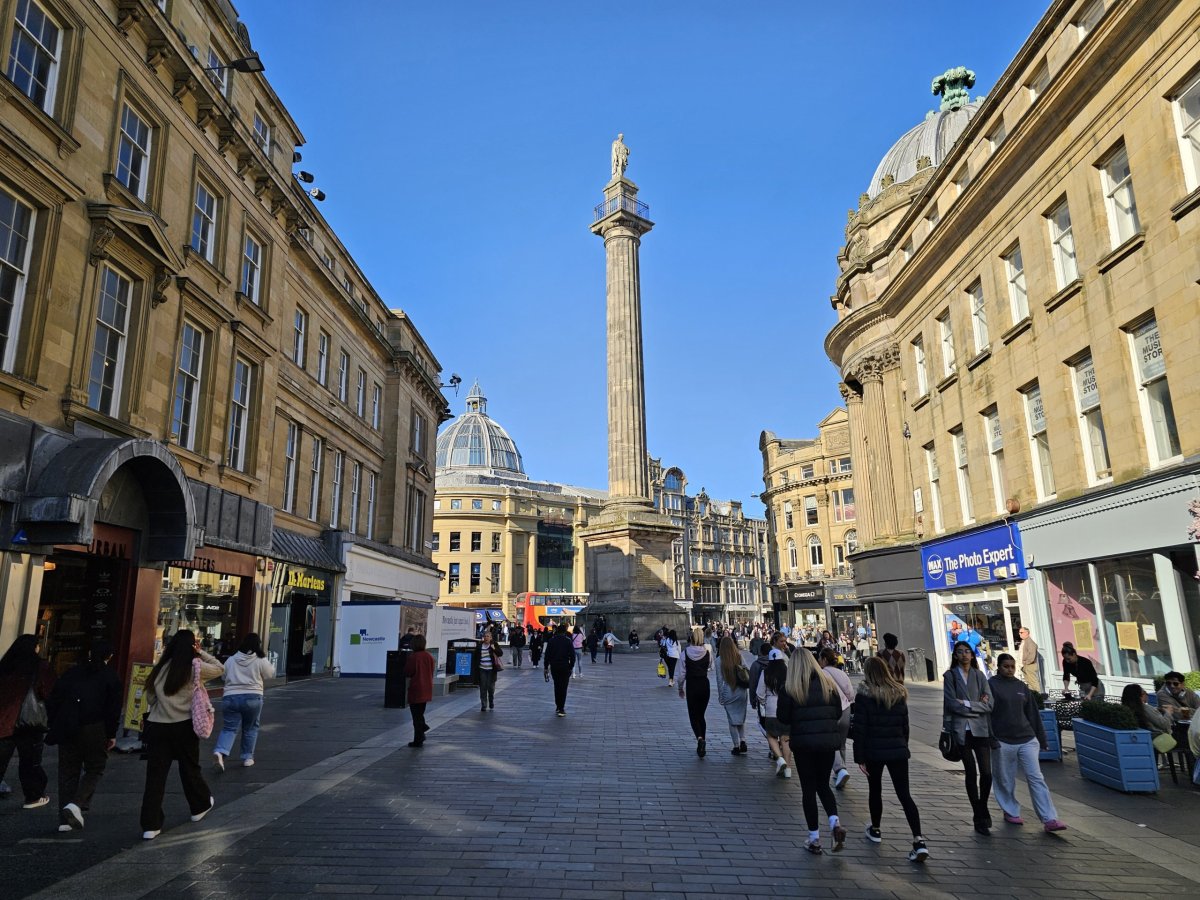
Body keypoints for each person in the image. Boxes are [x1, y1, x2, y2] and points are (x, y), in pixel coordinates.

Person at [140, 630, 223, 840]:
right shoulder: (194, 668)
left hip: (158, 726)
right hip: (184, 726)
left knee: (155, 776)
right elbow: (220, 668)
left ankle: (150, 825)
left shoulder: (159, 669)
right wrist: (201, 652)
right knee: (189, 768)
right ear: (191, 646)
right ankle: (199, 806)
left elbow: (150, 699)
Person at [852, 658, 928, 862]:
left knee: (875, 790)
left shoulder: (864, 696)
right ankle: (918, 839)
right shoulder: (898, 694)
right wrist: (903, 745)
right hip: (897, 751)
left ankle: (876, 829)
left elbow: (860, 729)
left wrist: (859, 757)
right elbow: (905, 726)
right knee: (905, 795)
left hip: (874, 751)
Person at [777, 644, 846, 854]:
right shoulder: (828, 684)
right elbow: (837, 711)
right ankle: (834, 822)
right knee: (823, 785)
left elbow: (783, 717)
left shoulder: (791, 688)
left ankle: (814, 838)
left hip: (804, 744)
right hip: (826, 743)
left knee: (808, 789)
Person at [47, 640, 122, 831]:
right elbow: (113, 709)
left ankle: (64, 821)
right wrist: (111, 733)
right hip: (95, 728)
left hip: (67, 726)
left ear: (89, 652)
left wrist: (54, 722)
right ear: (109, 656)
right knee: (95, 767)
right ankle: (77, 803)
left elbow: (54, 699)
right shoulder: (110, 676)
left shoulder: (72, 673)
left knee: (67, 772)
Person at [987, 653, 1067, 832]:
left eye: (1012, 666)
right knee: (1004, 779)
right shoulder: (991, 685)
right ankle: (1010, 810)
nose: (1009, 670)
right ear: (998, 667)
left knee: (1036, 777)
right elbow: (986, 713)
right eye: (1006, 666)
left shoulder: (1021, 686)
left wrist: (1042, 739)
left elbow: (1032, 713)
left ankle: (1049, 818)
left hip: (1027, 738)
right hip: (1002, 740)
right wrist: (990, 738)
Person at [944, 640, 994, 835]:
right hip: (961, 731)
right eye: (960, 652)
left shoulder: (980, 676)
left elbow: (989, 705)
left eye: (967, 651)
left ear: (972, 655)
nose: (964, 655)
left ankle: (983, 806)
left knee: (987, 773)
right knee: (971, 772)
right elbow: (951, 704)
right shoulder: (950, 676)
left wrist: (965, 704)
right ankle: (978, 814)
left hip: (981, 729)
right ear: (955, 655)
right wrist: (976, 706)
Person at [0, 634, 55, 809]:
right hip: (29, 721)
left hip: (4, 720)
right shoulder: (40, 666)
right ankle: (33, 796)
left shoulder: (6, 665)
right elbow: (49, 691)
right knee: (30, 761)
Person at [212, 633, 274, 771]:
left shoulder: (231, 659)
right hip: (253, 697)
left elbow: (223, 677)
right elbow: (270, 674)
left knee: (229, 728)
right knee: (250, 727)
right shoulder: (260, 659)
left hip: (230, 697)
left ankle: (220, 751)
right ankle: (247, 757)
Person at [818, 648, 854, 790]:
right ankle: (841, 770)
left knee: (830, 742)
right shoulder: (842, 673)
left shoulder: (821, 674)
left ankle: (840, 770)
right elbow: (851, 694)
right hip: (845, 709)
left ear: (824, 659)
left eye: (820, 658)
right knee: (841, 743)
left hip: (830, 711)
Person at [678, 626, 712, 757]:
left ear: (691, 638)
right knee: (701, 715)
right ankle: (703, 739)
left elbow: (681, 675)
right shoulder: (707, 651)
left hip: (692, 685)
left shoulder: (685, 653)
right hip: (704, 684)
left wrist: (680, 688)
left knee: (693, 715)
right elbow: (710, 666)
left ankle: (700, 739)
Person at [757, 659, 792, 778]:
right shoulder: (787, 672)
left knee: (771, 735)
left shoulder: (765, 673)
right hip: (785, 708)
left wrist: (764, 703)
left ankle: (780, 758)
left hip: (771, 709)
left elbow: (760, 693)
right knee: (785, 739)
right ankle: (788, 769)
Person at [715, 636, 749, 755]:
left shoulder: (719, 660)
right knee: (741, 717)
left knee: (732, 720)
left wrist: (720, 696)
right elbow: (746, 671)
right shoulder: (739, 656)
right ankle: (743, 740)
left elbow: (719, 680)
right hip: (741, 691)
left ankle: (736, 746)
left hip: (728, 691)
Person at [404, 635, 434, 747]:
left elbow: (408, 671)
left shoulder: (414, 657)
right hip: (427, 688)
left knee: (416, 716)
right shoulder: (429, 656)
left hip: (416, 688)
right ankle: (420, 737)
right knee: (420, 713)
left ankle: (421, 732)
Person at [543, 624, 575, 716]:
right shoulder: (568, 641)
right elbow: (572, 656)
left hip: (555, 666)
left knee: (557, 686)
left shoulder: (552, 641)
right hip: (565, 666)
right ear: (565, 631)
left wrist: (546, 667)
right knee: (563, 688)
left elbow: (547, 655)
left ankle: (558, 706)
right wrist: (571, 667)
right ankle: (561, 708)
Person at [477, 630, 502, 711]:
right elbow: (476, 657)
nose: (486, 638)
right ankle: (483, 705)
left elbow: (500, 653)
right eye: (485, 636)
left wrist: (494, 648)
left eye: (488, 636)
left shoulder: (494, 644)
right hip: (482, 669)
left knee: (491, 688)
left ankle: (491, 701)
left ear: (491, 638)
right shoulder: (480, 645)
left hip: (491, 670)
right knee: (483, 687)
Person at [1017, 627, 1040, 692]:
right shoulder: (1024, 641)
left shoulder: (1030, 642)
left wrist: (1026, 663)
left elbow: (1032, 655)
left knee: (1033, 682)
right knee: (1029, 683)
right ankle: (1033, 695)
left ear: (1027, 633)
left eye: (1021, 632)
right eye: (1019, 632)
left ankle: (1038, 695)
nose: (1019, 634)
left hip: (1029, 665)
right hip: (1025, 665)